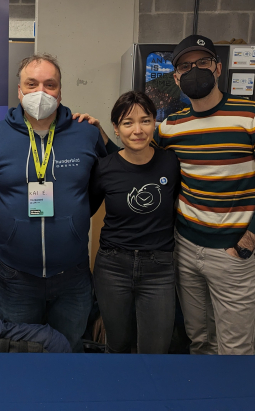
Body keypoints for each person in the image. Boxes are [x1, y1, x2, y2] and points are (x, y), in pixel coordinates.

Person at [80, 34, 255, 355]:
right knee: (200, 342)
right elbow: (136, 163)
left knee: (234, 349)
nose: (195, 70)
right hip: (185, 253)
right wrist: (100, 135)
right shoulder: (171, 127)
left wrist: (246, 246)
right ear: (176, 76)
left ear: (218, 68)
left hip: (233, 254)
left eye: (203, 63)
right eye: (185, 66)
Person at [0, 53, 107, 352]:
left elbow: (101, 187)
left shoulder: (86, 134)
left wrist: (74, 220)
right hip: (17, 277)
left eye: (50, 84)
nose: (41, 92)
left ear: (60, 91)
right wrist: (14, 223)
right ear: (19, 91)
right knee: (22, 358)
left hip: (72, 276)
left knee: (68, 351)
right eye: (31, 84)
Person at [89, 91, 180, 354]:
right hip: (112, 267)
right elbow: (86, 208)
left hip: (159, 269)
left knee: (156, 350)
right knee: (118, 346)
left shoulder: (170, 162)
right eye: (128, 123)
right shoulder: (104, 168)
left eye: (145, 120)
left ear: (155, 123)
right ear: (116, 129)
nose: (137, 130)